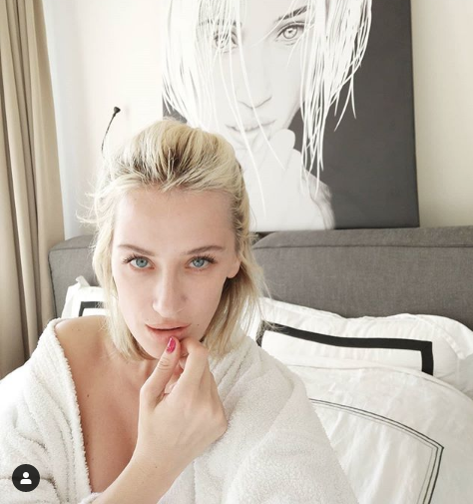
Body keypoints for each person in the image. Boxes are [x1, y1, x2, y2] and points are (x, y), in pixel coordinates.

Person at [0, 118, 358, 503]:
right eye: (140, 261)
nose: (167, 304)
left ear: (235, 257)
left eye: (199, 261)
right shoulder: (60, 360)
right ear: (108, 255)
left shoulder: (270, 407)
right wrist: (157, 463)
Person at [159, 0, 374, 231]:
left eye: (290, 32)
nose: (255, 92)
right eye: (222, 37)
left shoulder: (331, 214)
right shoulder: (150, 208)